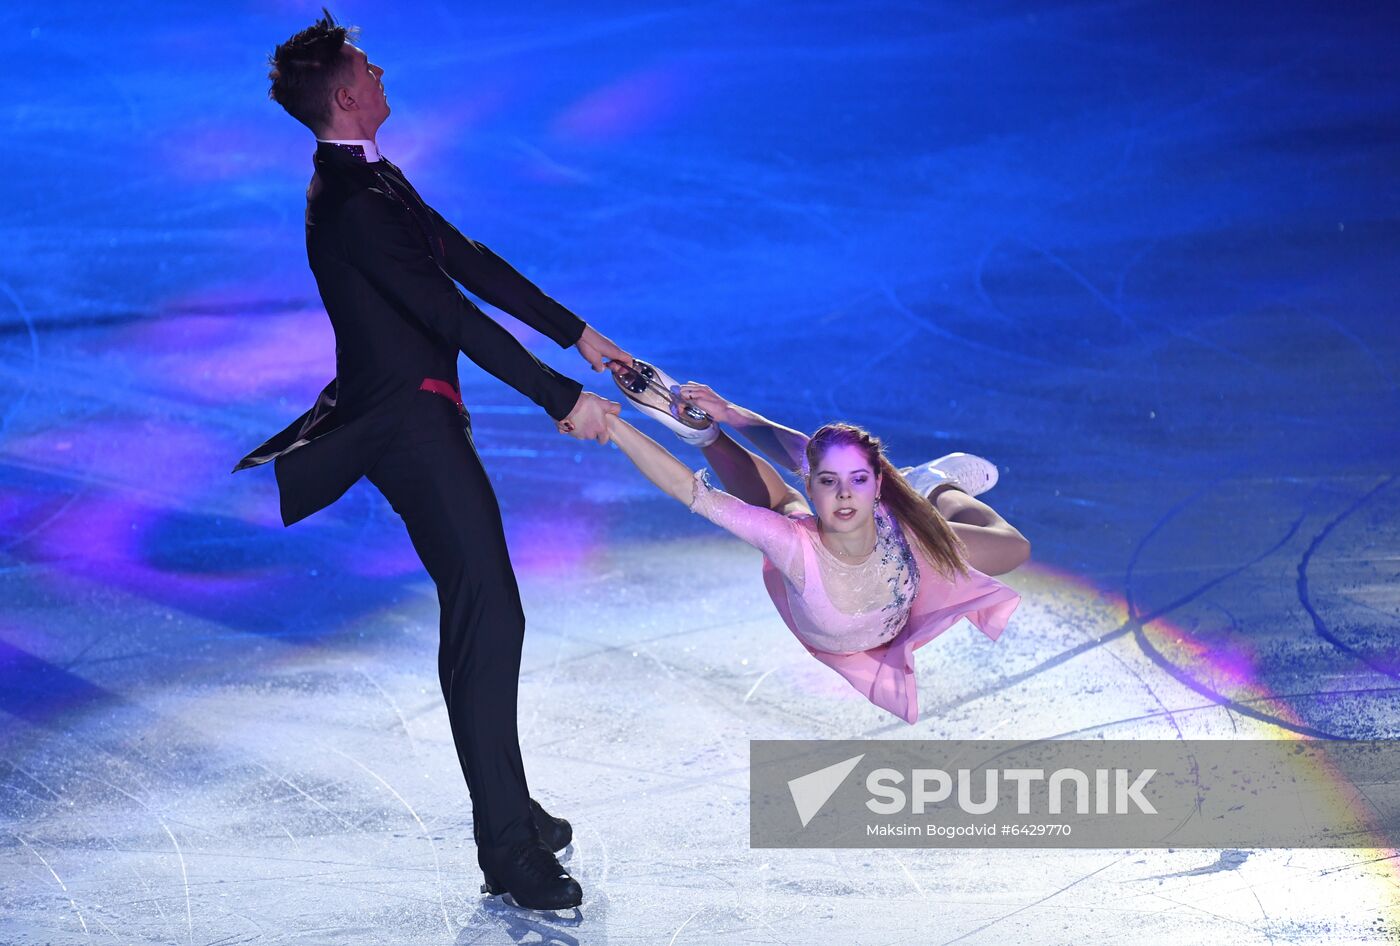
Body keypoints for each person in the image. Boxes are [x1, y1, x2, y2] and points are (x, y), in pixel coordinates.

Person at [233, 10, 628, 912]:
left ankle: (508, 803)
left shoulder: (372, 182)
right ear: (344, 93)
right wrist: (560, 398)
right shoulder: (350, 206)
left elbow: (468, 261)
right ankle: (507, 849)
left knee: (482, 612)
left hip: (423, 418)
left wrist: (582, 339)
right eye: (368, 65)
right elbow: (450, 315)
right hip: (403, 429)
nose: (381, 72)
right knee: (488, 610)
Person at [584, 360, 1029, 724]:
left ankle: (933, 484)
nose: (842, 493)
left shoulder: (900, 529)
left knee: (1013, 549)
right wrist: (617, 427)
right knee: (781, 509)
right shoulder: (793, 541)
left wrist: (733, 410)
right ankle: (705, 437)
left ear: (877, 485)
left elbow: (804, 452)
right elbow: (690, 490)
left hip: (902, 557)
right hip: (827, 596)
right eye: (828, 482)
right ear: (813, 485)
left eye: (857, 481)